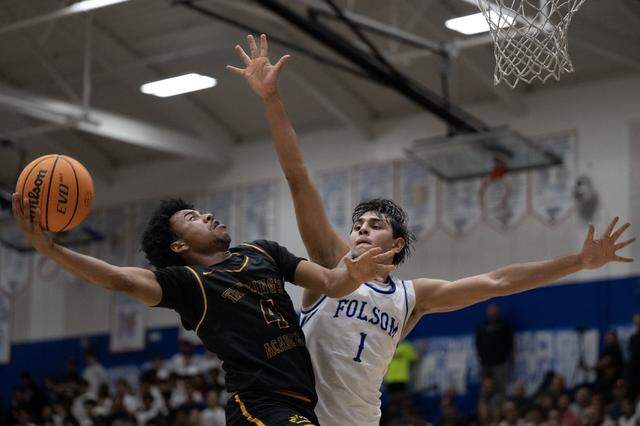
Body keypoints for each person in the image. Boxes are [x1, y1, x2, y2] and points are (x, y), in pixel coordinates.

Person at [228, 33, 637, 426]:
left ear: (398, 242)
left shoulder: (412, 297)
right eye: (356, 226)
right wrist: (272, 99)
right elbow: (298, 177)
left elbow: (499, 281)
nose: (361, 231)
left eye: (375, 225)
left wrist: (579, 261)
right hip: (302, 418)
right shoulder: (330, 267)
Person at [11, 193, 395, 426]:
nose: (208, 215)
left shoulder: (263, 252)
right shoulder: (188, 284)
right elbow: (119, 278)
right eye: (193, 219)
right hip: (258, 405)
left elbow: (331, 283)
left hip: (303, 406)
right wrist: (50, 250)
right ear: (179, 247)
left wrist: (354, 272)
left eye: (202, 212)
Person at [475, 303, 514, 397]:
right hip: (485, 363)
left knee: (500, 388)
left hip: (500, 363)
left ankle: (500, 408)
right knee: (484, 389)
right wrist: (481, 358)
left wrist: (505, 357)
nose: (492, 313)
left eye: (494, 311)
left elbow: (509, 344)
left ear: (498, 312)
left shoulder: (504, 325)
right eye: (490, 311)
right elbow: (478, 343)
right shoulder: (482, 326)